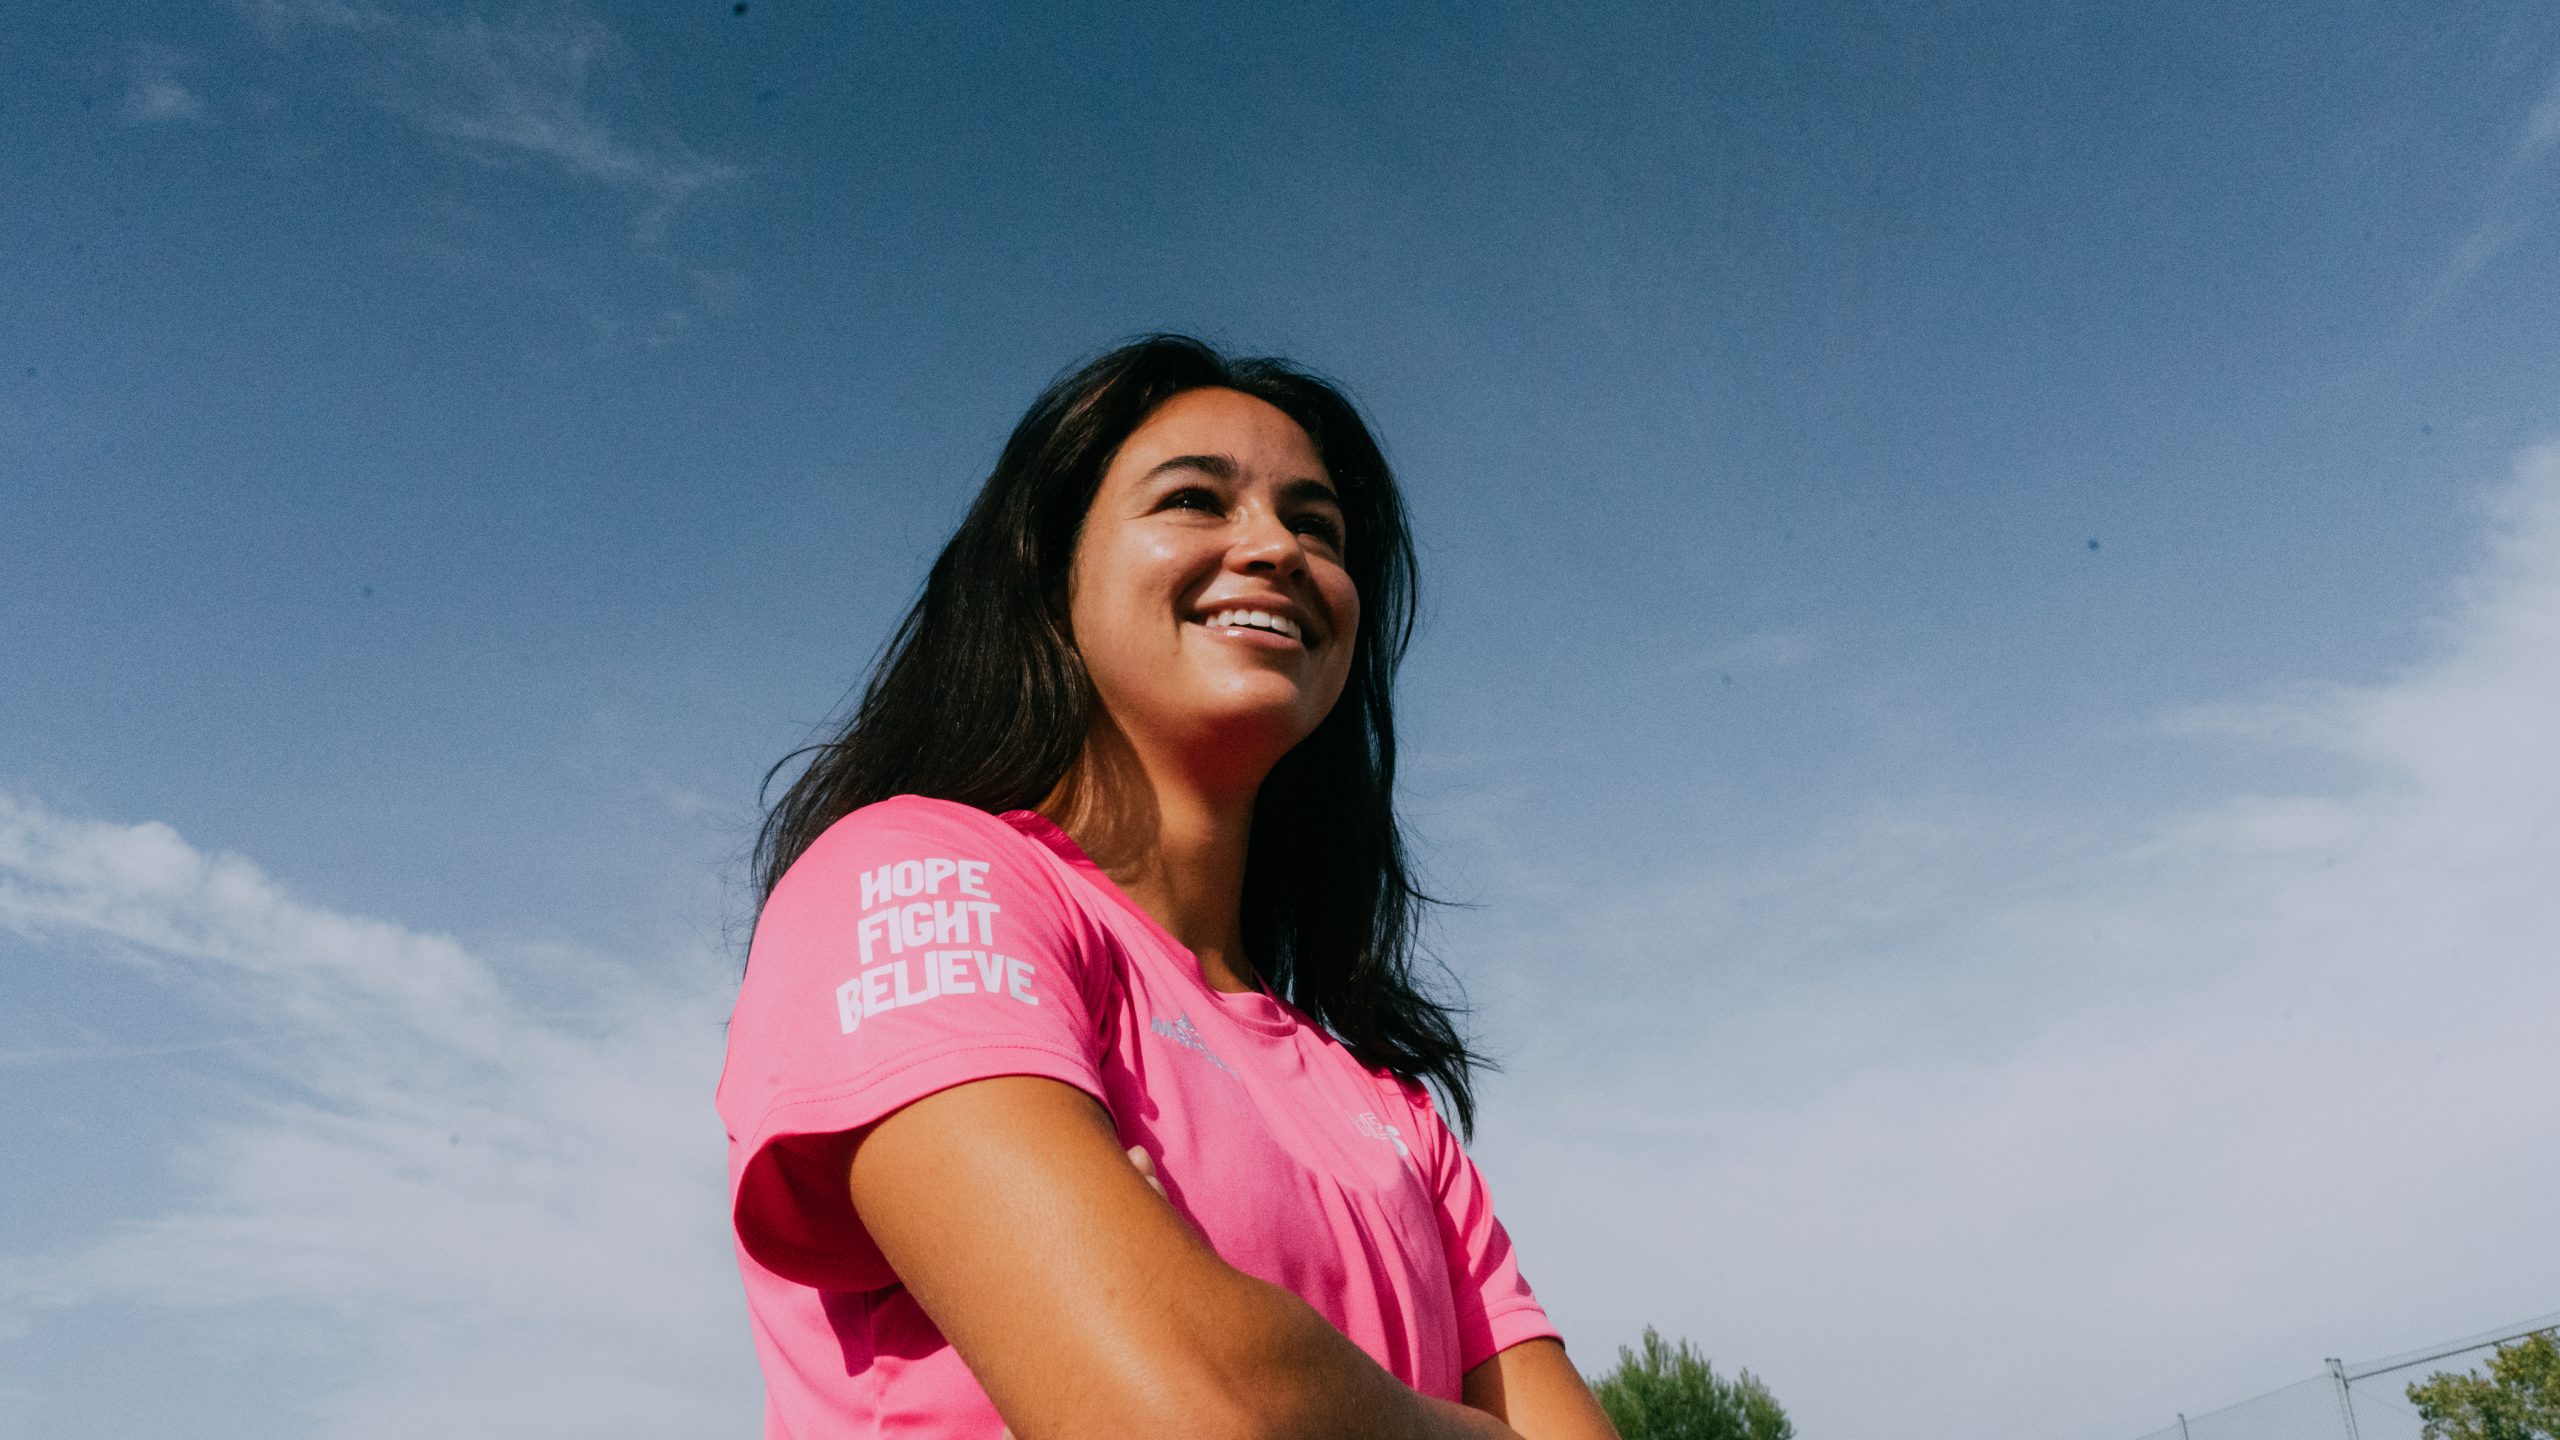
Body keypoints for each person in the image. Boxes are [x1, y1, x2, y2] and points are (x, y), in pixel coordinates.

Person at [717, 336, 1618, 1440]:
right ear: (1048, 573)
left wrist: (1251, 1345)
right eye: (1195, 499)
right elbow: (1188, 1413)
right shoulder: (908, 874)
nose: (1276, 548)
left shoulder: (1399, 1117)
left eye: (1317, 527)